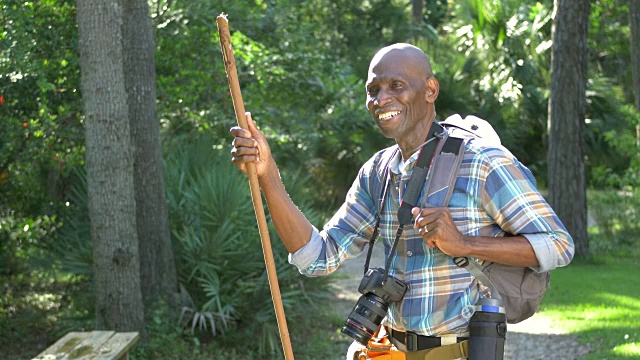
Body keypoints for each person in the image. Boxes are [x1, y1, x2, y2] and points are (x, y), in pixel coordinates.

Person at [229, 43, 574, 360]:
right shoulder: (377, 171)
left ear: (430, 90)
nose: (381, 99)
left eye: (396, 86)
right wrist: (267, 175)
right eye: (373, 90)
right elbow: (318, 257)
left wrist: (463, 243)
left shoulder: (481, 161)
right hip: (388, 352)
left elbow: (558, 245)